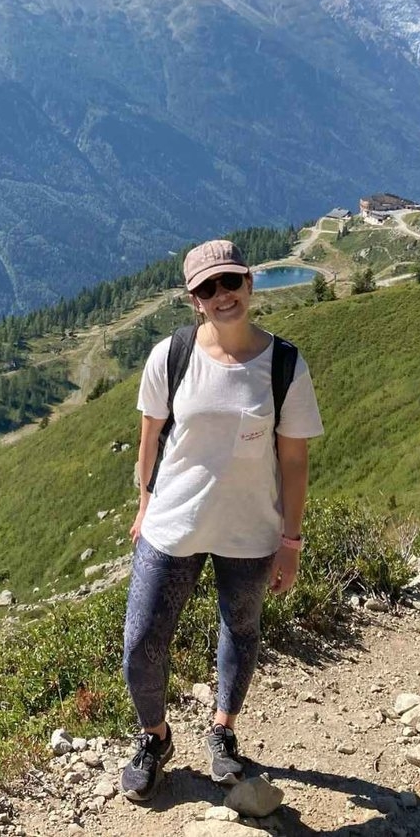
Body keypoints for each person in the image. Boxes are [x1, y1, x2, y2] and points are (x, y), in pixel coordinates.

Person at [120, 239, 324, 802]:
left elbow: (294, 459)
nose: (221, 296)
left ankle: (223, 730)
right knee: (141, 645)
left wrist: (291, 541)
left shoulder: (284, 364)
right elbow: (149, 440)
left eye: (229, 282)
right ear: (194, 300)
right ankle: (155, 737)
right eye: (207, 289)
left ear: (249, 284)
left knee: (241, 631)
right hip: (173, 523)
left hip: (250, 528)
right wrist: (144, 505)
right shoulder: (171, 355)